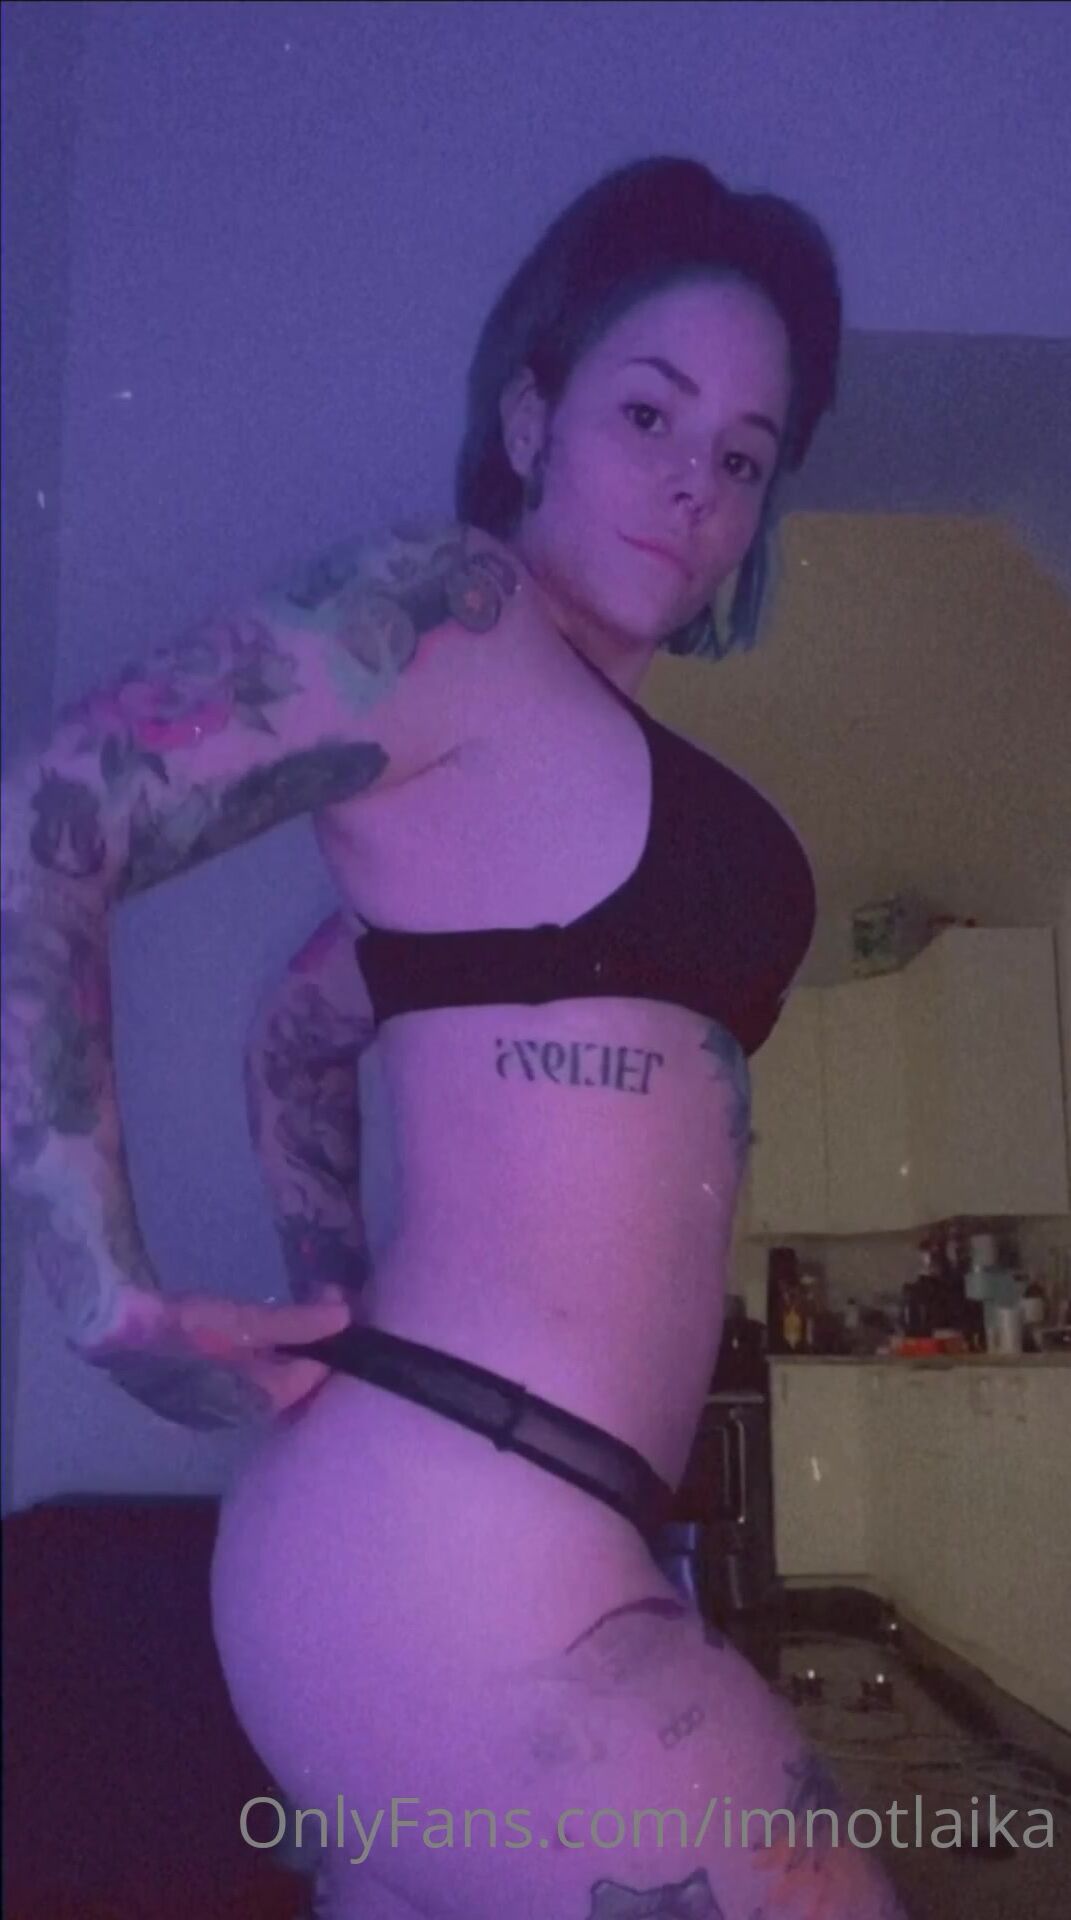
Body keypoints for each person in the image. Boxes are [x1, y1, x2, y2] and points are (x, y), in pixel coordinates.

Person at [0, 157, 908, 1917]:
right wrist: (104, 1297)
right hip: (461, 1552)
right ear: (531, 412)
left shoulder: (533, 767)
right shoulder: (451, 610)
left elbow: (299, 1032)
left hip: (480, 1518)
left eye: (743, 457)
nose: (695, 482)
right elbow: (48, 820)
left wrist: (333, 1301)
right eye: (649, 412)